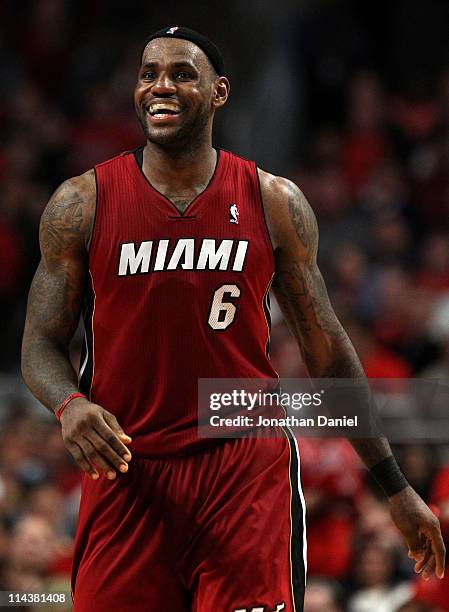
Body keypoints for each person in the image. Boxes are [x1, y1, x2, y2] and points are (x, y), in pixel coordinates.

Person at [21, 26, 445, 612]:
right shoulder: (81, 202)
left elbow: (328, 351)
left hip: (242, 466)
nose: (160, 86)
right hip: (129, 469)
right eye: (148, 74)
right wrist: (70, 406)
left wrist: (394, 485)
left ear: (220, 92)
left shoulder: (273, 200)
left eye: (181, 74)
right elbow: (39, 344)